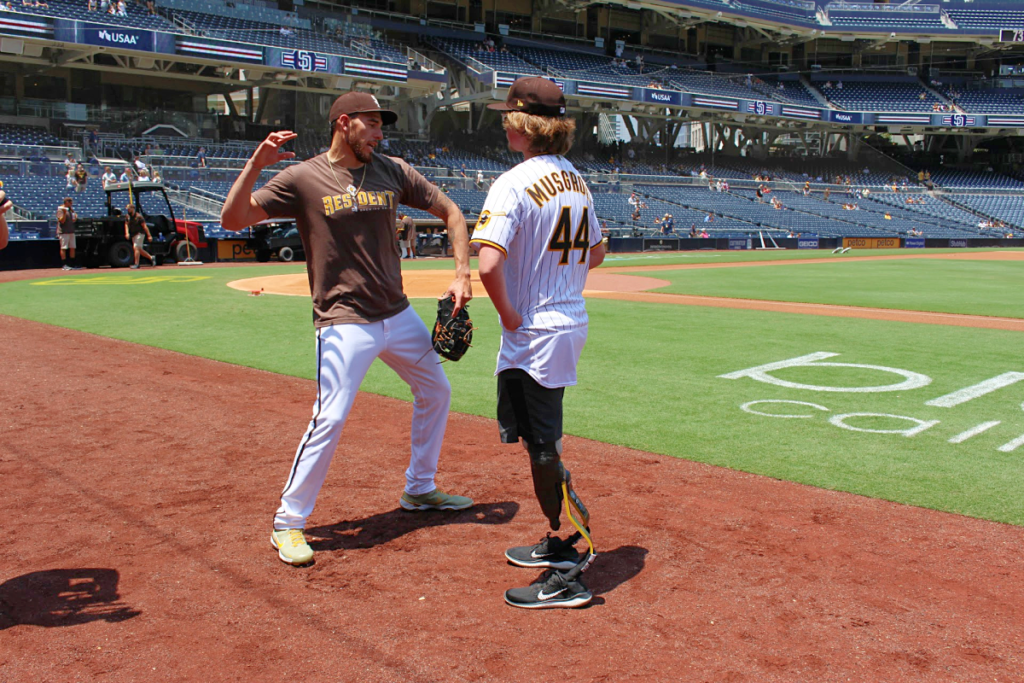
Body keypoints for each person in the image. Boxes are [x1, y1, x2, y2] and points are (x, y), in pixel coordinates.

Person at [219, 91, 474, 567]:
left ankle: (419, 490)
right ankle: (288, 523)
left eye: (382, 125)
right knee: (330, 417)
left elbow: (453, 214)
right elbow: (233, 218)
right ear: (343, 123)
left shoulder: (392, 170)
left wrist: (461, 273)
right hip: (343, 321)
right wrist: (257, 162)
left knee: (436, 390)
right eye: (371, 123)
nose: (379, 133)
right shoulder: (302, 178)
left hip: (397, 314)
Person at [472, 76, 605, 609]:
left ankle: (576, 563)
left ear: (525, 124)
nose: (503, 122)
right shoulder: (576, 178)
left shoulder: (513, 182)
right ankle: (558, 539)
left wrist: (508, 314)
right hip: (567, 320)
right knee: (537, 442)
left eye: (508, 115)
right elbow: (596, 253)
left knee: (545, 448)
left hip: (533, 331)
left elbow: (488, 263)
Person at [124, 203, 155, 269]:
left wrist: (149, 235)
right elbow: (126, 225)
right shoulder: (127, 216)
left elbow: (144, 226)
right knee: (139, 249)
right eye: (127, 209)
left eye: (129, 209)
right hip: (133, 234)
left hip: (140, 233)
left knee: (136, 247)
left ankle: (136, 264)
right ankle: (151, 257)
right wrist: (127, 233)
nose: (128, 210)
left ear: (133, 209)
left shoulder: (139, 217)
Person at [56, 197, 77, 270]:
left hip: (71, 231)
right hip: (64, 232)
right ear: (66, 202)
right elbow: (62, 221)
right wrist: (64, 213)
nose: (71, 204)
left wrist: (75, 216)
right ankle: (64, 264)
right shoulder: (61, 210)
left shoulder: (71, 210)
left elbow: (74, 219)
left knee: (72, 247)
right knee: (64, 248)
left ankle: (72, 264)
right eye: (70, 202)